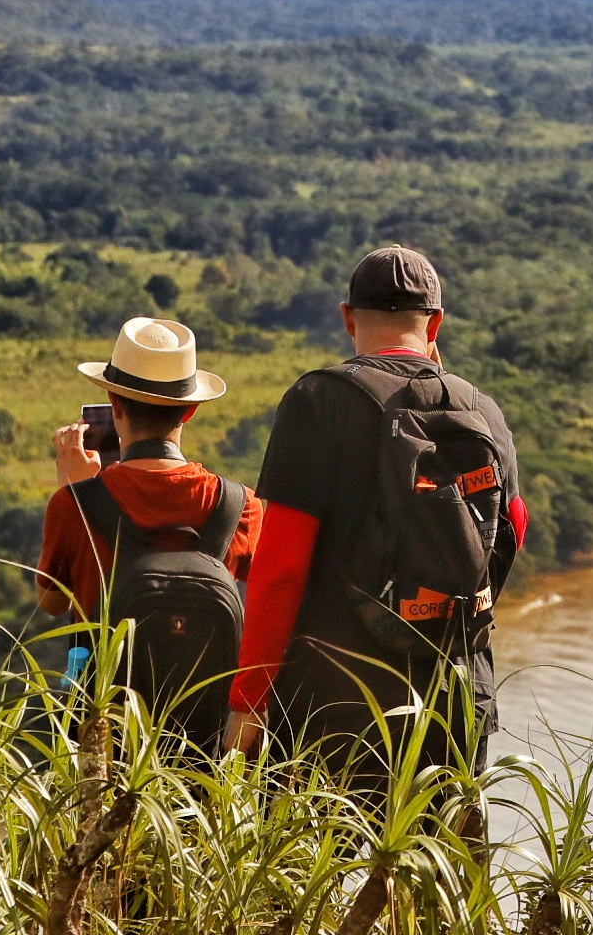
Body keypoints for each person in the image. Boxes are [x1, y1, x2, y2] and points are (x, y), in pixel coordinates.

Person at [223, 246, 527, 778]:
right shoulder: (481, 410)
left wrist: (248, 701)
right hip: (455, 698)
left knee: (309, 862)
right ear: (435, 323)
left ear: (347, 318)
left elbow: (280, 570)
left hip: (336, 700)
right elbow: (511, 529)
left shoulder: (319, 400)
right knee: (441, 861)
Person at [40, 317, 264, 740]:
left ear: (114, 404)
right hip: (206, 743)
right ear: (192, 409)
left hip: (102, 738)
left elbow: (52, 601)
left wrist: (75, 490)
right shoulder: (239, 505)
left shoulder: (74, 504)